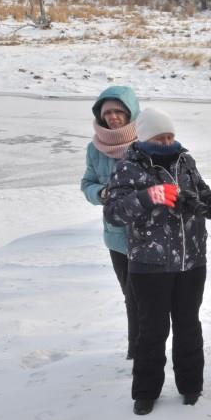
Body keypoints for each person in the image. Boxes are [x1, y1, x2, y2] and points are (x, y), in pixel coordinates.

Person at [104, 108, 211, 415]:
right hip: (148, 266)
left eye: (170, 136)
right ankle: (145, 392)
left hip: (191, 262)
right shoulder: (130, 166)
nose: (167, 142)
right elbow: (113, 212)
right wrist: (147, 196)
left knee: (189, 326)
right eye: (159, 137)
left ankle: (191, 386)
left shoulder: (185, 161)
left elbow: (204, 198)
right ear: (144, 138)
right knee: (151, 331)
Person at [80, 86, 141, 359]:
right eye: (108, 113)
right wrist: (101, 193)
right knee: (131, 294)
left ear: (130, 113)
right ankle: (136, 348)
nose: (113, 117)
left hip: (150, 234)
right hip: (117, 236)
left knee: (152, 295)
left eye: (119, 111)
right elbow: (88, 183)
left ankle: (154, 344)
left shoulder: (148, 141)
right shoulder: (94, 150)